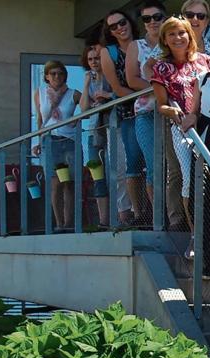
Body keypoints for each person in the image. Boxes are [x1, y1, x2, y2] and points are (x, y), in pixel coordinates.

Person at [150, 16, 210, 234]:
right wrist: (171, 110)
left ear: (190, 35)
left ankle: (209, 226)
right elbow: (161, 104)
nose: (178, 38)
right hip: (179, 128)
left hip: (205, 125)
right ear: (165, 39)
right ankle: (186, 226)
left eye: (182, 33)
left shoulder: (205, 61)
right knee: (182, 175)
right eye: (171, 34)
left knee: (205, 174)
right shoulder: (161, 67)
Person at [99, 9, 144, 225]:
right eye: (113, 26)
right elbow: (117, 88)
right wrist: (147, 97)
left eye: (122, 22)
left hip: (155, 112)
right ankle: (132, 215)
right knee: (129, 163)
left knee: (153, 165)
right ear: (109, 32)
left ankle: (152, 211)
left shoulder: (144, 45)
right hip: (127, 114)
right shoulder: (109, 52)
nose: (119, 27)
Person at [125, 1, 166, 216]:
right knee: (153, 165)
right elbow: (132, 79)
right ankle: (159, 216)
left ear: (165, 18)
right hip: (146, 113)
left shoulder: (173, 41)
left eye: (157, 17)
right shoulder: (136, 46)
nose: (152, 22)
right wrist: (159, 89)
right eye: (146, 19)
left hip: (171, 113)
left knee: (173, 168)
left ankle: (174, 215)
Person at [33, 60, 81, 232]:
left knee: (69, 183)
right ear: (46, 76)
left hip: (69, 141)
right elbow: (40, 119)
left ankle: (69, 223)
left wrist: (78, 119)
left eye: (60, 73)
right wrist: (37, 141)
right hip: (50, 140)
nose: (57, 76)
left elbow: (88, 107)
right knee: (55, 183)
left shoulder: (73, 93)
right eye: (53, 73)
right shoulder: (39, 93)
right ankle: (59, 223)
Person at [79, 42, 113, 227]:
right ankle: (103, 221)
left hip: (110, 128)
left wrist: (106, 95)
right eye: (90, 59)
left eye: (97, 58)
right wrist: (85, 85)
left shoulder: (110, 76)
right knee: (97, 176)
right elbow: (84, 108)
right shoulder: (89, 80)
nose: (94, 62)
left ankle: (119, 216)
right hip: (93, 133)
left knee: (112, 173)